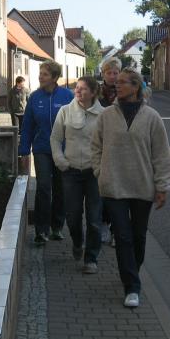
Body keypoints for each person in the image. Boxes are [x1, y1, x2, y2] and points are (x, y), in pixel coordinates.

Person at [91, 68, 170, 308]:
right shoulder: (106, 115)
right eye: (116, 82)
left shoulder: (152, 117)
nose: (117, 85)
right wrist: (100, 172)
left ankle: (131, 271)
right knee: (123, 236)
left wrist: (162, 186)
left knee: (138, 236)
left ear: (136, 87)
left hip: (142, 186)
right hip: (113, 186)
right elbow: (95, 147)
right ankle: (132, 287)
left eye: (123, 82)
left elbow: (161, 154)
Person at [50, 76, 105, 274]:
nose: (78, 91)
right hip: (70, 171)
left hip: (94, 173)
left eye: (83, 89)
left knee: (94, 218)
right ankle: (77, 242)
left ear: (93, 92)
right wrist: (61, 161)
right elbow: (55, 139)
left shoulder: (104, 115)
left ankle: (91, 258)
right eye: (77, 88)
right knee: (72, 216)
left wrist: (102, 167)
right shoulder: (65, 111)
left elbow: (109, 143)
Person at [19, 61, 74, 245]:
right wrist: (24, 150)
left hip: (63, 150)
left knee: (61, 189)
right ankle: (41, 231)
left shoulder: (67, 96)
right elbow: (27, 125)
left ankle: (57, 227)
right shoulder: (35, 98)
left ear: (55, 77)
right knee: (43, 187)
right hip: (42, 148)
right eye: (40, 73)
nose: (40, 77)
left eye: (45, 74)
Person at [97, 57, 121, 246]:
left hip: (121, 148)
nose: (112, 76)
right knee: (103, 191)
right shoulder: (96, 93)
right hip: (101, 147)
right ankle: (104, 224)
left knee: (120, 193)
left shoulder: (125, 92)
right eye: (109, 72)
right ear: (103, 74)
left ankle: (116, 230)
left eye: (116, 72)